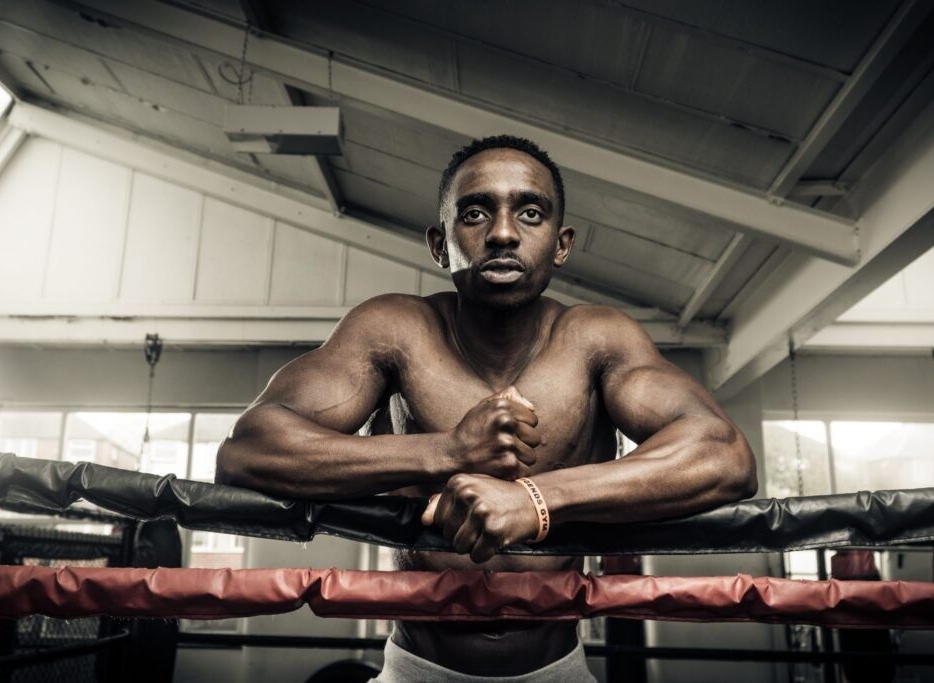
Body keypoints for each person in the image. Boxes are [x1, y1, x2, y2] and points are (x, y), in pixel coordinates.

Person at [216, 135, 757, 681]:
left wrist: (535, 499)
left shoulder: (598, 339)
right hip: (416, 668)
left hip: (557, 670)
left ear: (561, 244)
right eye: (475, 213)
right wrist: (447, 451)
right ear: (439, 244)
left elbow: (725, 454)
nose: (502, 233)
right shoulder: (393, 331)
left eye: (530, 213)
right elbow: (247, 451)